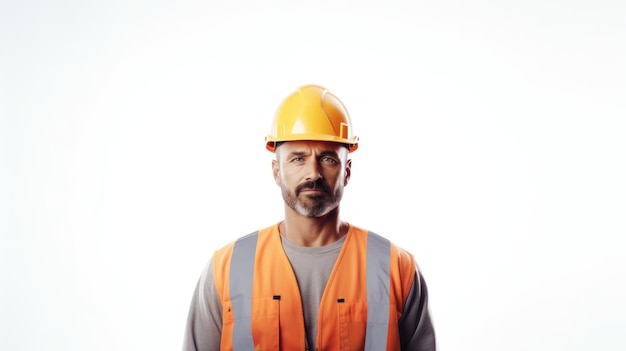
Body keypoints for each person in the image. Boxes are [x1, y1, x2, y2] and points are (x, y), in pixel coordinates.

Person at [183, 84, 436, 351]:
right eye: (297, 159)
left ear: (347, 171)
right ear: (276, 171)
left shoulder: (397, 268)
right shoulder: (227, 268)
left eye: (327, 159)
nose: (313, 173)